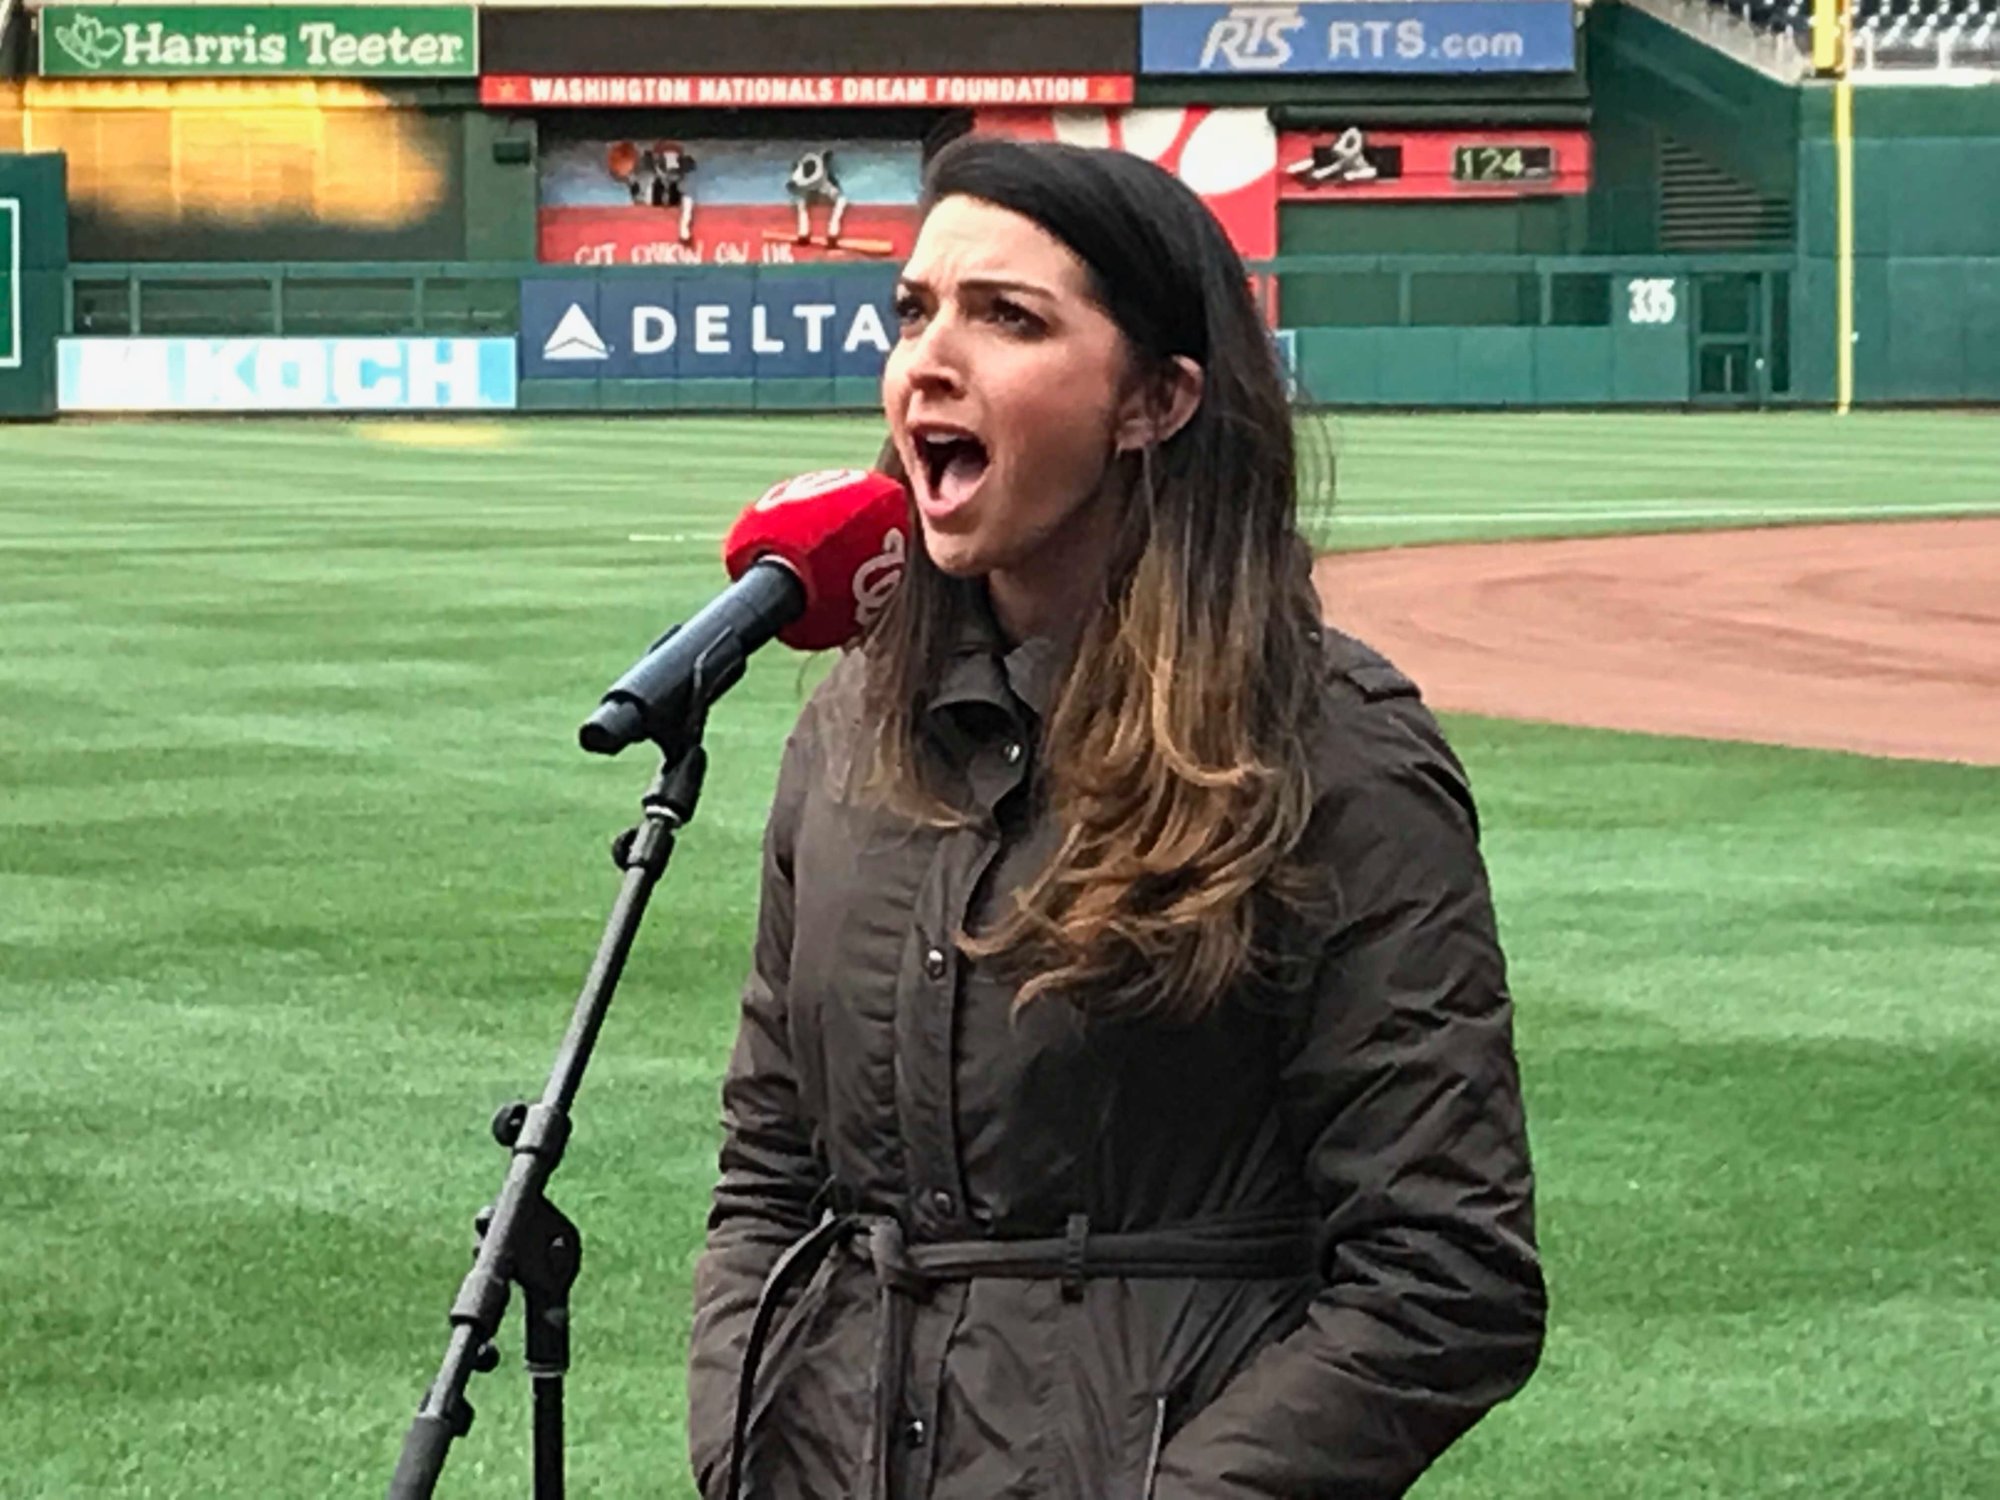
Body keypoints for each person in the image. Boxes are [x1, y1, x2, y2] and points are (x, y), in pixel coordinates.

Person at [685, 136, 1544, 1500]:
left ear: (1154, 401)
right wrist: (748, 1448)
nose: (928, 362)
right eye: (914, 313)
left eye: (1007, 318)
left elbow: (1445, 1276)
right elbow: (771, 1174)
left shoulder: (1329, 751)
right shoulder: (848, 731)